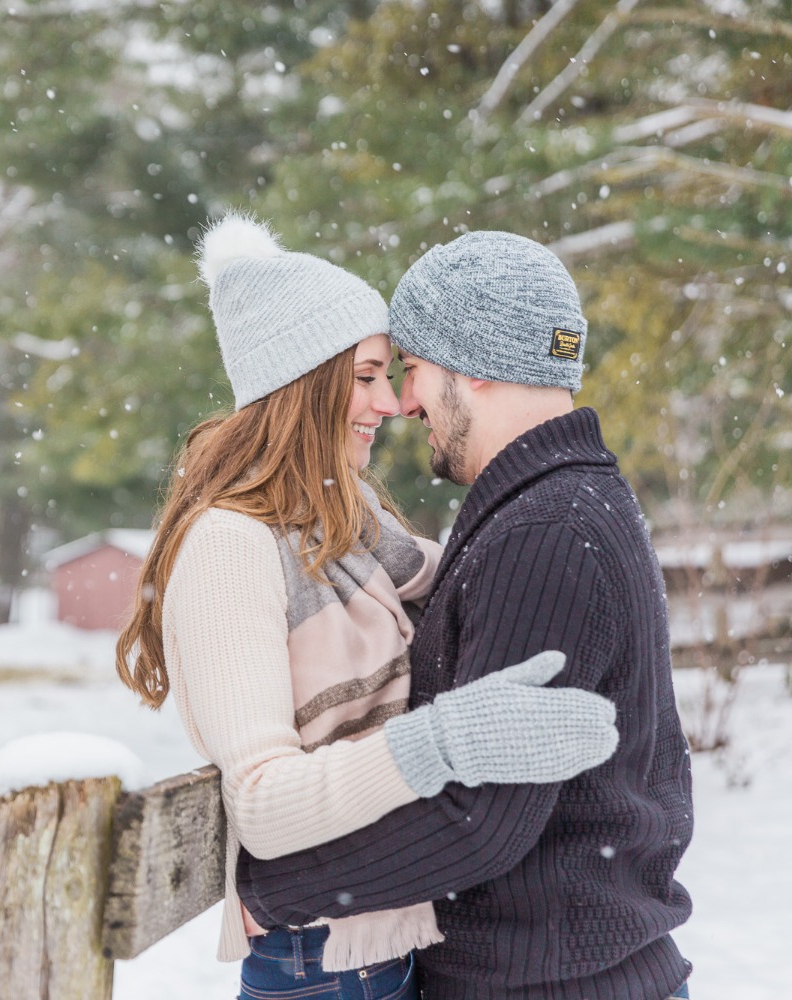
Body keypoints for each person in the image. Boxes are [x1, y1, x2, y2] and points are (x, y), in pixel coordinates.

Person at [115, 216, 620, 1000]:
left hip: (385, 947)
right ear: (303, 383)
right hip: (317, 964)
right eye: (367, 376)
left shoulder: (343, 526)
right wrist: (444, 741)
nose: (391, 402)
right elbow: (263, 805)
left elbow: (474, 582)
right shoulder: (229, 546)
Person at [234, 231, 695, 1000]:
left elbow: (481, 819)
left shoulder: (549, 529)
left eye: (413, 370)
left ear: (473, 366)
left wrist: (277, 892)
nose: (405, 402)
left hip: (549, 985)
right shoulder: (564, 505)